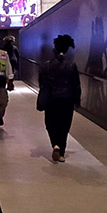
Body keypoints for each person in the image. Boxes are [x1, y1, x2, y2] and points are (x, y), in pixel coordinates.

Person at [39, 34, 82, 162]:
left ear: (54, 49)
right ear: (67, 49)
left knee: (50, 124)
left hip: (51, 100)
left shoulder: (45, 66)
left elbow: (42, 84)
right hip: (67, 100)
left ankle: (55, 144)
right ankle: (61, 151)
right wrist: (77, 100)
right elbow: (76, 85)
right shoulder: (71, 66)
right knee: (64, 126)